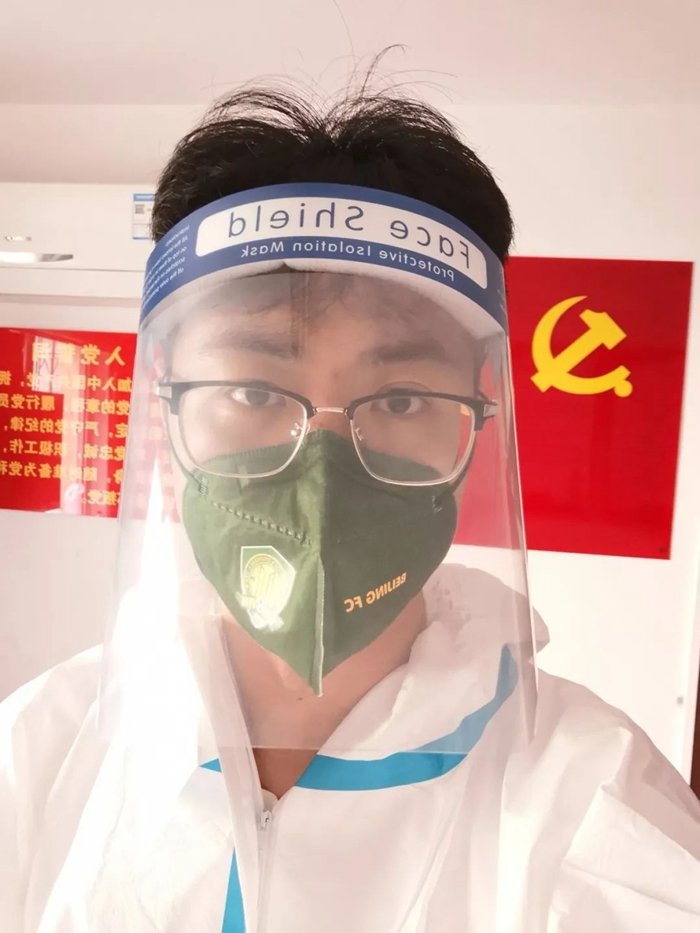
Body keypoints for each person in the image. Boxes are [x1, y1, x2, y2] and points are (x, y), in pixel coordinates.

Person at [1, 86, 699, 933]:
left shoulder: (592, 804)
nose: (322, 473)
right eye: (254, 391)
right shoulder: (43, 750)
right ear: (168, 403)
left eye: (400, 399)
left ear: (478, 420)